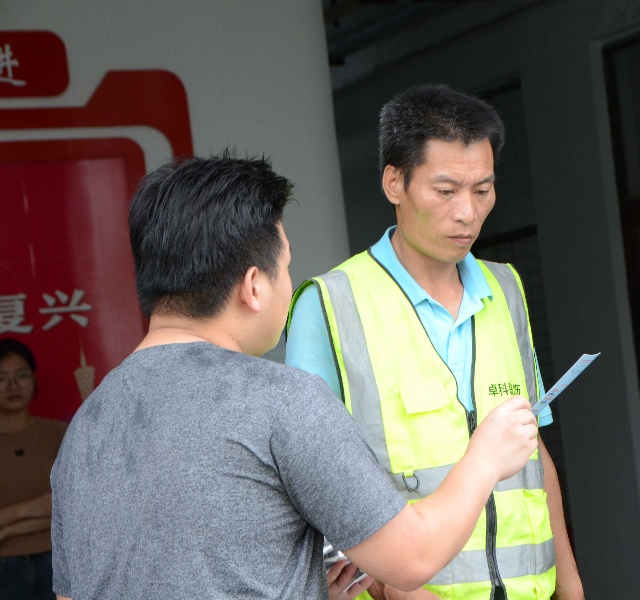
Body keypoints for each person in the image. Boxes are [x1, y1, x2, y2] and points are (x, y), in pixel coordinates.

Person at [49, 154, 541, 600]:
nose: (288, 282)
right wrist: (485, 458)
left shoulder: (85, 426)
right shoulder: (280, 399)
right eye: (284, 266)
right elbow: (412, 558)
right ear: (253, 286)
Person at [286, 83, 585, 600]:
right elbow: (312, 483)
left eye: (483, 190)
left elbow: (532, 449)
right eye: (446, 191)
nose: (467, 212)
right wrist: (393, 589)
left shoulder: (506, 288)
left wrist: (572, 586)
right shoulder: (332, 304)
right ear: (394, 183)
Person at [0, 338, 68, 600]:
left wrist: (2, 533)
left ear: (33, 379)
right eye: (0, 379)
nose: (13, 386)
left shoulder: (60, 434)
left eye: (21, 375)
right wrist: (30, 508)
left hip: (62, 561)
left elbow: (80, 510)